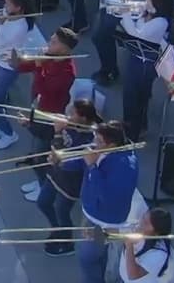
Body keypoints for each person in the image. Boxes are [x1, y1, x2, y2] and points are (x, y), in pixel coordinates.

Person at [59, 120, 140, 281]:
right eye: (95, 137)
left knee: (87, 257)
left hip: (104, 221)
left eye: (99, 141)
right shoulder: (101, 147)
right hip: (92, 213)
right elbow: (81, 160)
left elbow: (106, 195)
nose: (94, 143)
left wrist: (92, 167)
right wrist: (61, 161)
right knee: (97, 256)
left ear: (112, 145)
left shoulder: (126, 166)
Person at [13, 27, 78, 198]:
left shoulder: (67, 71)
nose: (49, 44)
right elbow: (23, 68)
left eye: (54, 42)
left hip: (50, 118)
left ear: (64, 49)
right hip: (38, 107)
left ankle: (45, 187)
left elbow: (46, 89)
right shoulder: (50, 57)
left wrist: (40, 67)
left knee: (41, 157)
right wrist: (18, 61)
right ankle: (40, 182)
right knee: (36, 151)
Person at [36, 99, 102, 256]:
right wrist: (29, 123)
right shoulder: (70, 125)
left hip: (70, 184)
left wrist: (58, 133)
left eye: (72, 113)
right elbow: (48, 137)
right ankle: (57, 229)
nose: (68, 115)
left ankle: (67, 243)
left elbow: (70, 162)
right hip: (55, 175)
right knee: (43, 202)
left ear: (83, 118)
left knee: (62, 212)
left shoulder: (89, 140)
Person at [0, 0, 38, 151]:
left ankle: (9, 133)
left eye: (8, 4)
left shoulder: (20, 27)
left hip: (9, 67)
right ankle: (1, 127)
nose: (5, 6)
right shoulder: (7, 16)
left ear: (19, 8)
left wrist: (0, 24)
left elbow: (1, 43)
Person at [119, 0, 173, 141]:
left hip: (145, 64)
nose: (146, 1)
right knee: (133, 95)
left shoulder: (161, 22)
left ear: (157, 4)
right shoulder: (149, 15)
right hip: (137, 58)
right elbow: (135, 27)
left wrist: (125, 11)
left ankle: (132, 132)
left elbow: (137, 34)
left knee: (135, 97)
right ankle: (135, 125)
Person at [119, 208, 174, 282]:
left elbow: (133, 275)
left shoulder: (159, 254)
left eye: (146, 223)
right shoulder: (136, 228)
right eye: (143, 217)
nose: (140, 223)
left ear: (156, 232)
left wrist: (129, 245)